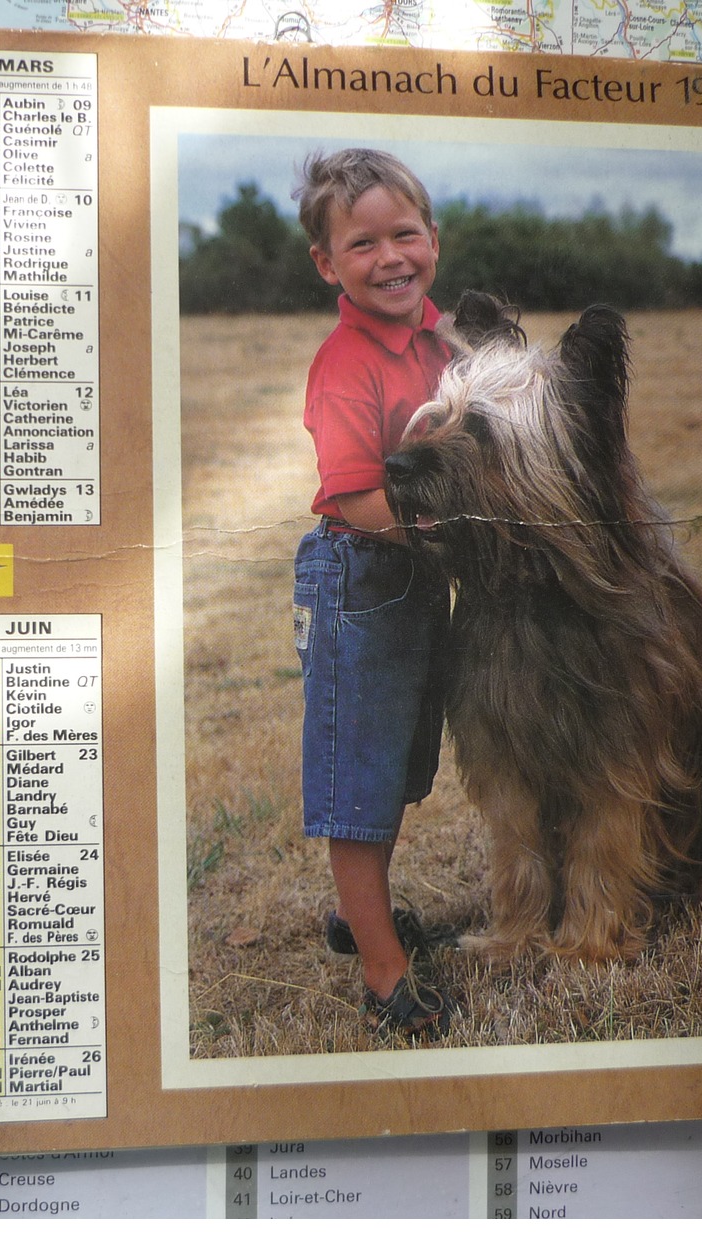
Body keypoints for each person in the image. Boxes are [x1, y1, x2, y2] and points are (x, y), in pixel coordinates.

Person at [290, 148, 456, 1039]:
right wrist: (460, 532)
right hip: (361, 575)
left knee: (391, 770)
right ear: (326, 263)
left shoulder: (445, 344)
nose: (390, 257)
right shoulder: (344, 363)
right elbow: (356, 493)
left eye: (405, 233)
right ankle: (385, 974)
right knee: (356, 779)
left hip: (419, 577)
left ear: (433, 238)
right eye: (363, 244)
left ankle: (365, 918)